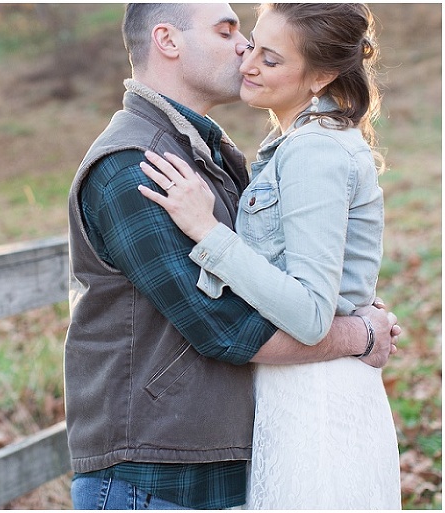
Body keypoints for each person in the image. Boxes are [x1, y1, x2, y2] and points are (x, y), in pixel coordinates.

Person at [65, 3, 399, 510]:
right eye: (228, 31)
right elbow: (227, 326)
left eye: (257, 42)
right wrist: (360, 333)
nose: (244, 46)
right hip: (152, 476)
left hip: (210, 455)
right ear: (168, 41)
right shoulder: (137, 166)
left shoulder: (210, 153)